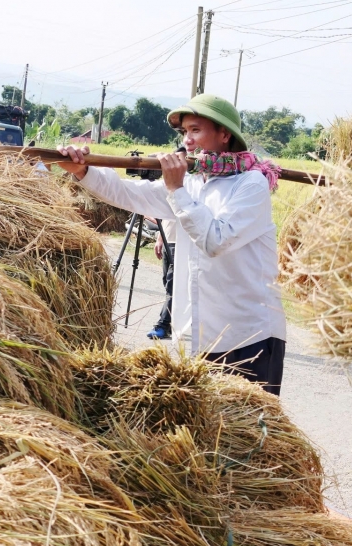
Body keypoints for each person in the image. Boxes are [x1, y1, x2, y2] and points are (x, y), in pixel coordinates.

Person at [57, 93, 288, 395]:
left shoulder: (250, 184)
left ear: (224, 134)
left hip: (249, 337)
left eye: (195, 130)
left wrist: (176, 189)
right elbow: (130, 194)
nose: (187, 140)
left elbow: (215, 241)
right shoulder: (191, 182)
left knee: (253, 437)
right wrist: (82, 171)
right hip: (201, 338)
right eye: (184, 132)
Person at [148, 215, 176, 340]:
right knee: (167, 283)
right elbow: (165, 217)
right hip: (167, 241)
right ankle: (171, 322)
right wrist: (160, 239)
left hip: (182, 244)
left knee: (172, 286)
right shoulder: (169, 195)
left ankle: (162, 325)